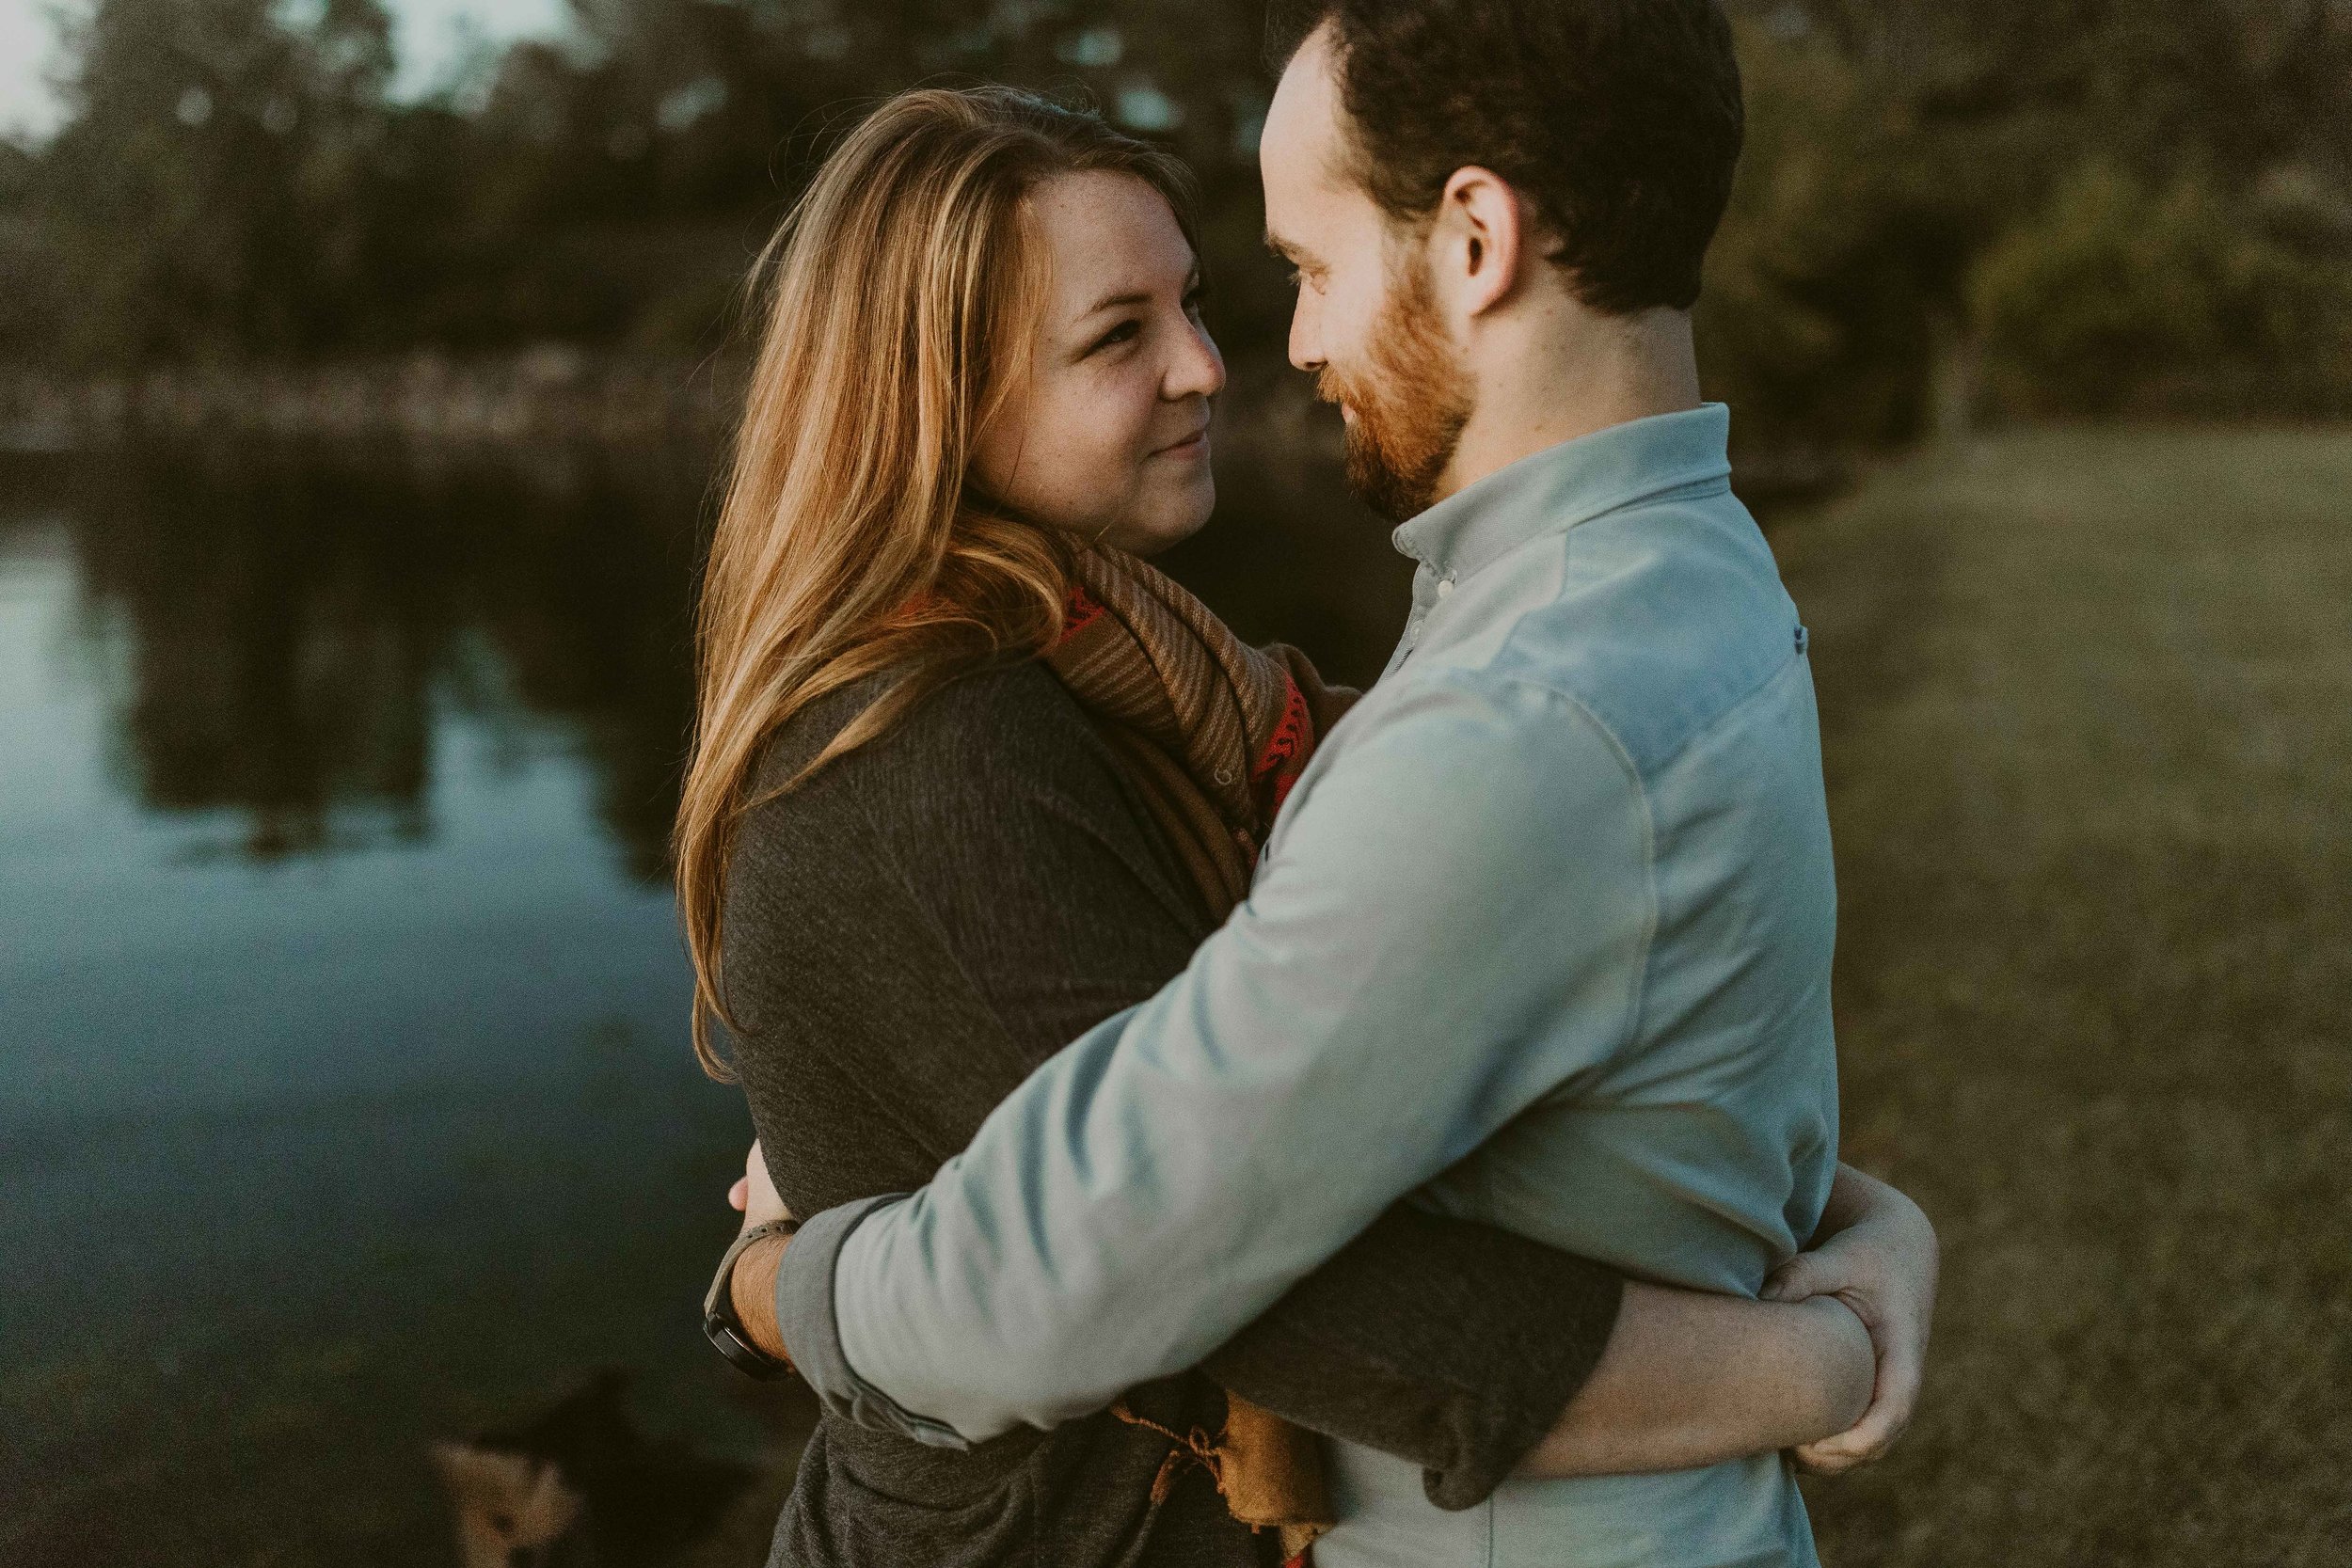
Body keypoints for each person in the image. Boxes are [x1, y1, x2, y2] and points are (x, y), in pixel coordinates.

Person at [716, 5, 1941, 1567]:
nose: (1258, 356)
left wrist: (775, 1281)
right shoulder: (1684, 583)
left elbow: (1069, 1279)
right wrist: (1835, 1284)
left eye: (1302, 270)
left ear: (1476, 239)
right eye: (1121, 332)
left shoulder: (1512, 720)